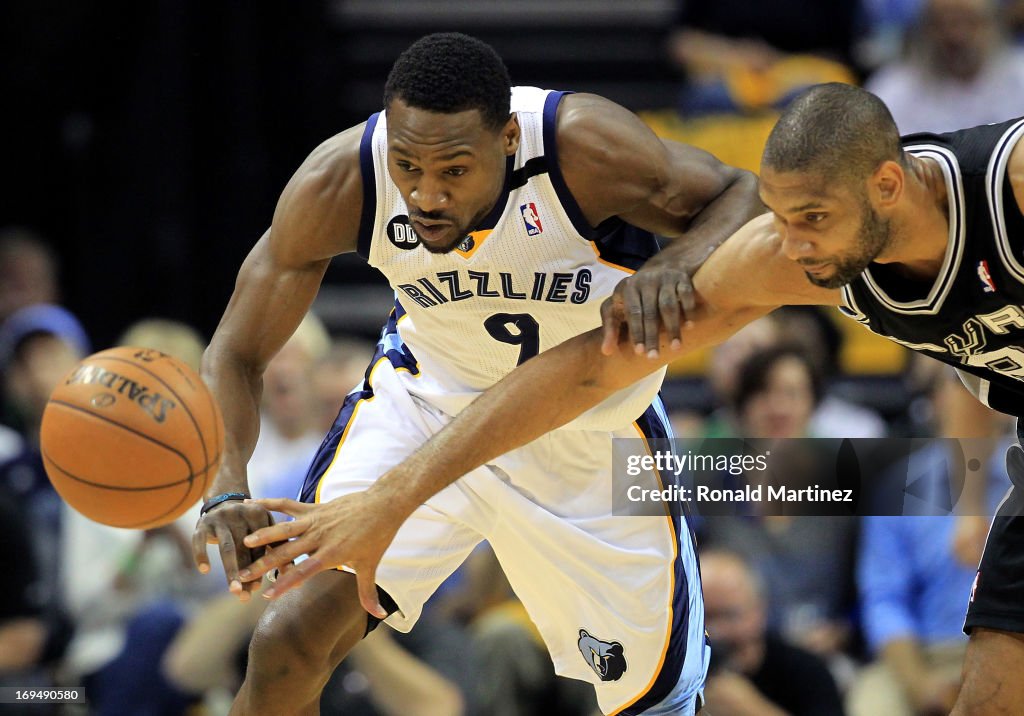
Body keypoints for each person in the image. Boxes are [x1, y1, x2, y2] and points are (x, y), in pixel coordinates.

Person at [237, 83, 1024, 715]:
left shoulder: (1008, 181)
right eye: (782, 220)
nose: (793, 245)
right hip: (471, 417)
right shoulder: (792, 260)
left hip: (607, 471)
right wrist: (391, 495)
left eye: (812, 220)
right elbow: (588, 371)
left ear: (888, 184)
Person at [193, 32, 762, 716]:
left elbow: (742, 193)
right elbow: (235, 350)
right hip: (427, 406)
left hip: (589, 430)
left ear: (509, 139)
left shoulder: (583, 149)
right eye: (409, 166)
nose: (425, 195)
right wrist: (225, 487)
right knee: (286, 641)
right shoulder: (343, 179)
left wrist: (678, 262)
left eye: (453, 171)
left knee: (656, 705)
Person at [699, 550, 844, 716]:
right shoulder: (676, 673)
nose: (717, 631)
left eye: (729, 615)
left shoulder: (805, 672)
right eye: (704, 616)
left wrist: (749, 709)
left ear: (759, 611)